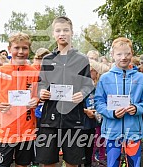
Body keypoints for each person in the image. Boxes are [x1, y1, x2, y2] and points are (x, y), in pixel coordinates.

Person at [36, 16, 93, 167]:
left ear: (72, 33)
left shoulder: (81, 59)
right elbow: (40, 84)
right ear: (53, 34)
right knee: (48, 162)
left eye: (66, 30)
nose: (62, 34)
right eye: (58, 30)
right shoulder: (47, 59)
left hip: (73, 119)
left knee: (72, 162)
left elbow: (88, 84)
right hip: (50, 120)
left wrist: (82, 93)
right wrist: (41, 93)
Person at [94, 37, 143, 167]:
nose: (123, 57)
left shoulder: (141, 78)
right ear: (113, 55)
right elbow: (99, 102)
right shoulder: (105, 78)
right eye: (119, 54)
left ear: (132, 54)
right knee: (112, 163)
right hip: (112, 130)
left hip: (133, 131)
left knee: (134, 163)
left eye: (127, 53)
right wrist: (112, 113)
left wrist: (137, 108)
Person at [0, 32, 39, 167]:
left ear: (29, 49)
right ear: (9, 49)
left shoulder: (34, 72)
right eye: (17, 48)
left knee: (23, 165)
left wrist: (36, 100)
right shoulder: (0, 72)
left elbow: (37, 96)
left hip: (26, 131)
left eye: (24, 48)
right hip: (5, 131)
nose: (21, 52)